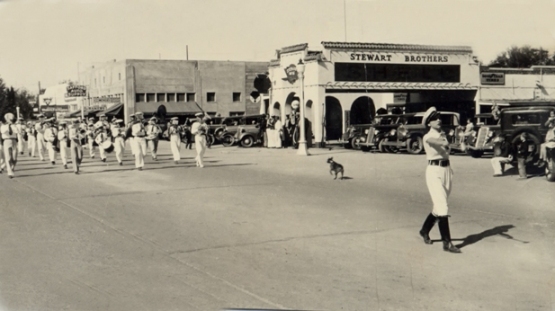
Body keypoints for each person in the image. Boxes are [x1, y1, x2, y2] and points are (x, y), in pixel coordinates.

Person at [418, 107, 461, 254]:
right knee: (442, 206)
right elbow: (437, 142)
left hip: (446, 170)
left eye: (439, 117)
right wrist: (450, 142)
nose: (439, 120)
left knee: (439, 206)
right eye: (435, 118)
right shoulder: (427, 137)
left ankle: (424, 230)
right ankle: (447, 243)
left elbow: (447, 149)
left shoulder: (443, 135)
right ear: (429, 123)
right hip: (434, 171)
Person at [0, 113, 19, 178]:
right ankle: (9, 171)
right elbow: (3, 131)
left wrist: (12, 125)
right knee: (8, 157)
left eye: (11, 119)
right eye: (9, 119)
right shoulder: (3, 126)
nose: (10, 120)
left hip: (14, 141)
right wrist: (8, 126)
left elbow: (17, 131)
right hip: (6, 141)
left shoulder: (14, 126)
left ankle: (12, 168)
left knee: (14, 158)